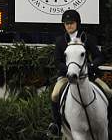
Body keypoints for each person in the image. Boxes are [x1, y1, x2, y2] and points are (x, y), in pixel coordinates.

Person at [47, 9, 112, 137]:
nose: (69, 25)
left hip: (88, 76)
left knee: (108, 91)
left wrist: (91, 65)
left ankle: (109, 121)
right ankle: (56, 125)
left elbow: (99, 57)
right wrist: (71, 70)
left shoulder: (87, 38)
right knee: (54, 95)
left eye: (71, 23)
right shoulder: (60, 41)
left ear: (77, 23)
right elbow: (57, 61)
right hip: (66, 77)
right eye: (66, 23)